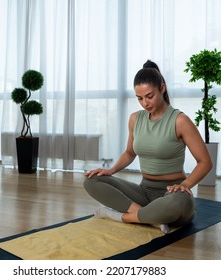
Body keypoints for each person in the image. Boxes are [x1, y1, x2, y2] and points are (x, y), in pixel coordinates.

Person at [83, 60, 212, 233]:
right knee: (91, 181)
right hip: (144, 193)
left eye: (149, 96)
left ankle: (122, 216)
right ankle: (148, 217)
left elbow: (205, 162)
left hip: (172, 194)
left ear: (162, 88)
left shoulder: (180, 121)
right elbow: (129, 153)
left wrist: (186, 185)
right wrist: (110, 171)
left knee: (179, 202)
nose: (145, 103)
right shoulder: (135, 119)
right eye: (140, 98)